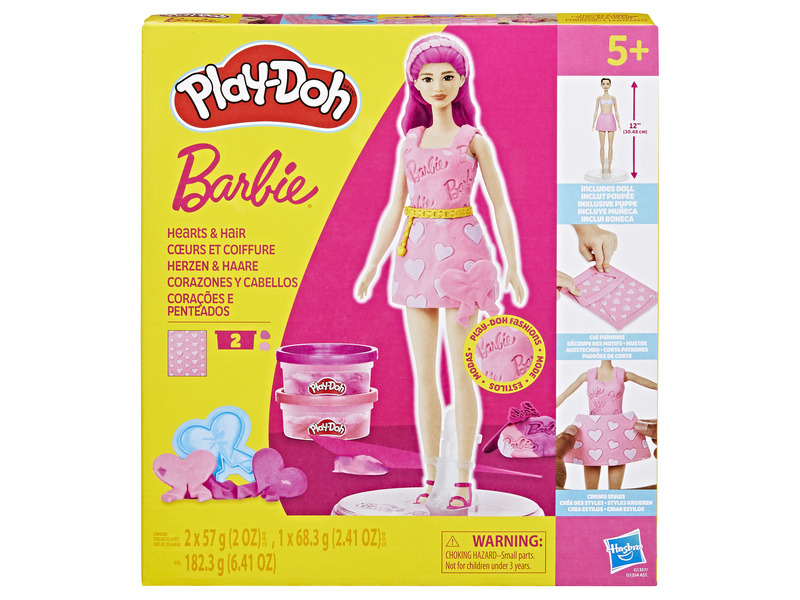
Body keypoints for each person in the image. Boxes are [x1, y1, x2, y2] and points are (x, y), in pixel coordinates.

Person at [356, 34, 525, 512]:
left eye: (447, 77)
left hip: (463, 257)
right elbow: (395, 206)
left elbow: (500, 206)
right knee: (424, 374)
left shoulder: (473, 140)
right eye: (427, 78)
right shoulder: (410, 142)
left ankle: (464, 479)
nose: (438, 86)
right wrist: (372, 263)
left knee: (463, 372)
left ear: (461, 79)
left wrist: (513, 265)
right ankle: (431, 474)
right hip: (415, 255)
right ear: (415, 84)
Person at [556, 360, 656, 489]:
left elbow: (650, 384)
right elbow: (564, 395)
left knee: (617, 468)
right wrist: (547, 408)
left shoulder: (622, 374)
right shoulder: (587, 375)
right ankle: (591, 498)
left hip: (617, 428)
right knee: (591, 470)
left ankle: (614, 498)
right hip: (592, 427)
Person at [591, 78, 621, 176]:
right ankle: (603, 167)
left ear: (610, 85)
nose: (605, 86)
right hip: (602, 119)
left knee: (610, 145)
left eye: (607, 84)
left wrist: (619, 123)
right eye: (603, 84)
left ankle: (610, 167)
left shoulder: (613, 98)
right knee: (602, 145)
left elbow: (616, 111)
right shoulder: (599, 98)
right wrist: (593, 123)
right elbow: (596, 111)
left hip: (611, 120)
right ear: (601, 85)